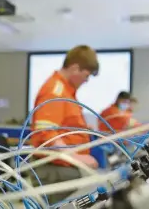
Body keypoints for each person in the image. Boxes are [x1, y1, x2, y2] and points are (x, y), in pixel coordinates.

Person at [29, 45, 100, 204]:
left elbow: (60, 126)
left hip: (61, 169)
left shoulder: (66, 91)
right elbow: (46, 133)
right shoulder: (56, 91)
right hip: (55, 171)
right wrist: (76, 157)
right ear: (75, 68)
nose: (86, 81)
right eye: (86, 75)